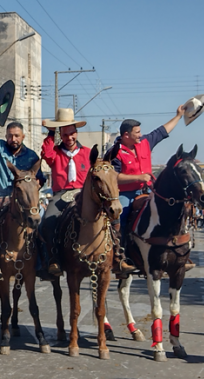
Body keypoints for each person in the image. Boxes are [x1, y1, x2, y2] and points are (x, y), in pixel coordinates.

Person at [39, 108, 134, 278]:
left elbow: (100, 170)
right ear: (61, 135)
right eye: (65, 135)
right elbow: (46, 153)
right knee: (48, 221)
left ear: (76, 133)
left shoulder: (88, 153)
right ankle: (53, 259)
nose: (69, 138)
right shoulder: (55, 153)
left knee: (113, 218)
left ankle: (118, 257)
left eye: (72, 134)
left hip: (85, 193)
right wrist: (51, 133)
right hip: (61, 194)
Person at [110, 104, 194, 271]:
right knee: (119, 218)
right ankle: (120, 257)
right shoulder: (115, 152)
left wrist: (178, 116)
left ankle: (180, 253)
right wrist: (138, 177)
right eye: (137, 132)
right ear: (126, 135)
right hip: (126, 193)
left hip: (149, 190)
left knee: (175, 209)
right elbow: (113, 176)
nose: (141, 135)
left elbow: (163, 131)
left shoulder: (145, 142)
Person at [0, 101, 45, 287]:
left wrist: (36, 187)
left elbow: (39, 178)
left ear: (23, 136)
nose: (13, 139)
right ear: (6, 136)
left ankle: (43, 261)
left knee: (42, 215)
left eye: (16, 136)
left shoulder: (31, 156)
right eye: (10, 135)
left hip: (23, 198)